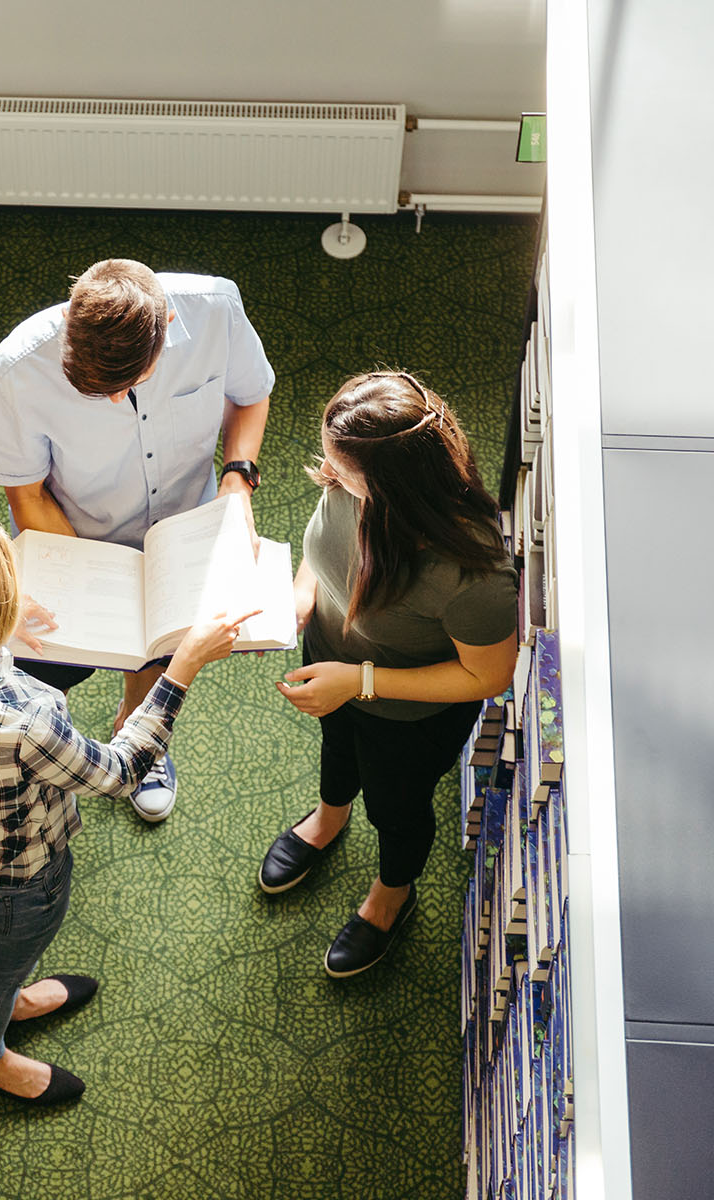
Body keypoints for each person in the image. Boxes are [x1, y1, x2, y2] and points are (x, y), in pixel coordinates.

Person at [0, 512, 255, 1104]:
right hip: (19, 877)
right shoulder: (25, 719)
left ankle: (8, 992)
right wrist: (182, 668)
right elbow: (120, 772)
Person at [0, 258, 274, 822]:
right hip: (73, 540)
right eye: (98, 392)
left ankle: (138, 727)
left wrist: (237, 479)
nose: (117, 401)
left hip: (184, 528)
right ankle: (46, 754)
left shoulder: (216, 310)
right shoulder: (12, 373)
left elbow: (251, 395)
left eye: (128, 385)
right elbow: (29, 497)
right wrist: (98, 582)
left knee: (160, 650)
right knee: (34, 671)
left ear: (164, 326)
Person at [258, 372, 518, 978]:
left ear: (391, 486)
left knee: (397, 805)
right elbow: (321, 553)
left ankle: (392, 895)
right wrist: (302, 598)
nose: (326, 472)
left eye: (338, 466)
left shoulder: (470, 574)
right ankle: (329, 816)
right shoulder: (351, 483)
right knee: (338, 748)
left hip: (409, 710)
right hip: (333, 666)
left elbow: (488, 675)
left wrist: (360, 682)